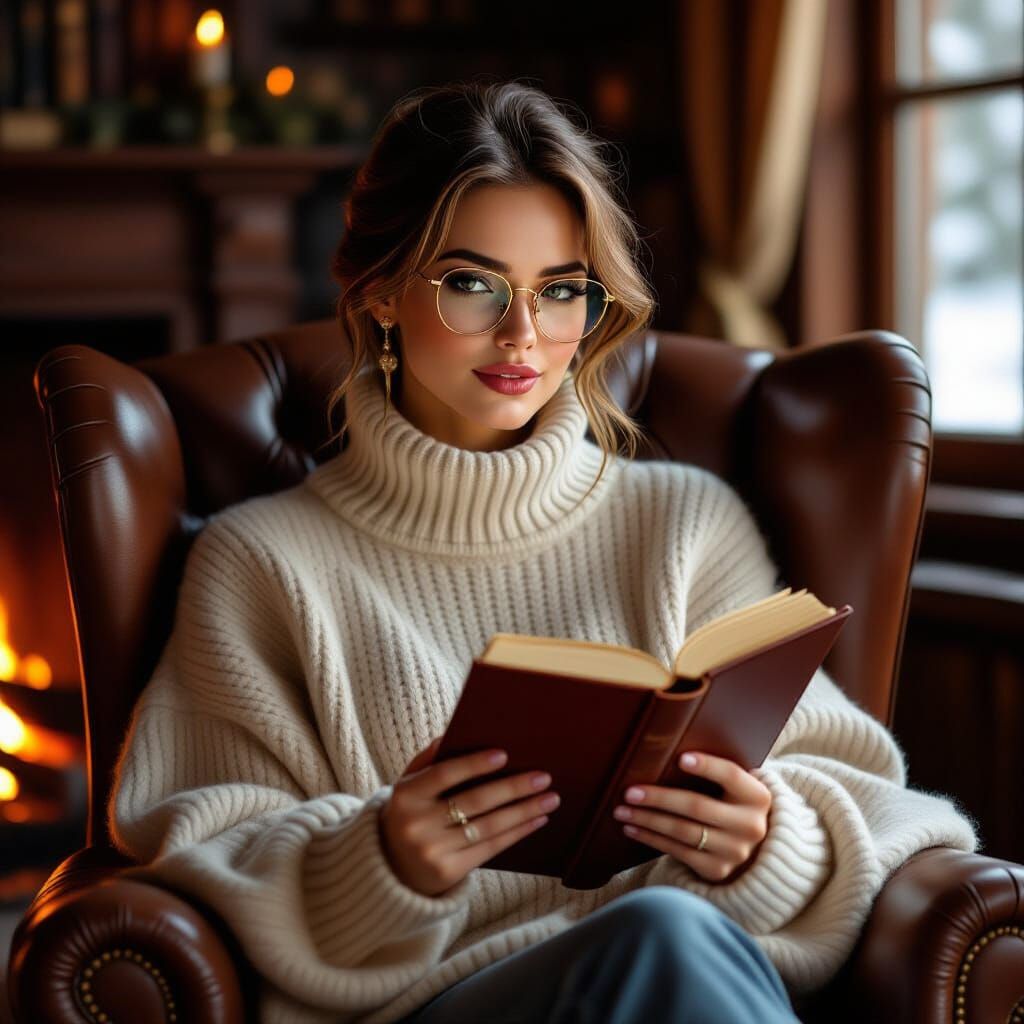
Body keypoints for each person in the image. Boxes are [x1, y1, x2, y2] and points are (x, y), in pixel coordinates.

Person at [107, 79, 979, 1024]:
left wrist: (768, 840)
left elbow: (874, 798)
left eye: (560, 291)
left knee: (668, 940)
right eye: (473, 284)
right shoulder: (260, 563)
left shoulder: (688, 524)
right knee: (663, 939)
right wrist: (382, 856)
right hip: (438, 1004)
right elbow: (201, 850)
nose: (523, 334)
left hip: (687, 978)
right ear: (382, 292)